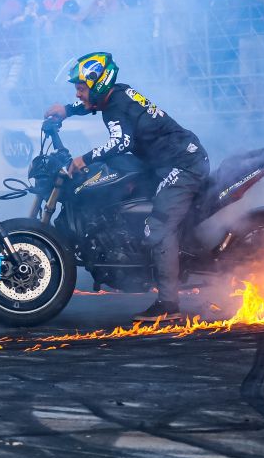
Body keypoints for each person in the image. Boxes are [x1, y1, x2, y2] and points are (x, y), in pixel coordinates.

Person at [44, 52, 209, 321]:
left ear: (98, 84)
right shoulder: (117, 93)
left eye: (82, 88)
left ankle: (169, 306)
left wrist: (84, 158)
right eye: (77, 89)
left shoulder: (115, 107)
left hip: (183, 164)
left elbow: (120, 143)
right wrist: (67, 110)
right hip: (164, 162)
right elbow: (93, 106)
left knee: (158, 226)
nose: (79, 94)